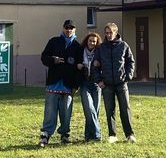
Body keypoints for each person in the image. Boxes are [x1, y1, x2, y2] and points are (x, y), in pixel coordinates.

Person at [38, 19, 82, 147]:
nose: (69, 30)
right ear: (63, 28)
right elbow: (43, 57)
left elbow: (79, 67)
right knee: (50, 112)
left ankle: (65, 135)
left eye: (71, 28)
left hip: (68, 85)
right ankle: (45, 135)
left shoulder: (77, 46)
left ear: (75, 30)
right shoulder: (54, 41)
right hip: (53, 83)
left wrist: (76, 85)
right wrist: (53, 60)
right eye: (67, 28)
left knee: (66, 112)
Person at [92, 22, 137, 143]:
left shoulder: (123, 46)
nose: (108, 35)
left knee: (125, 109)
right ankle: (112, 134)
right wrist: (99, 80)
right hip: (107, 85)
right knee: (109, 110)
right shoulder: (101, 48)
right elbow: (95, 65)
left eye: (110, 33)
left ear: (116, 32)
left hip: (121, 83)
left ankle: (129, 134)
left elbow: (130, 62)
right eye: (106, 33)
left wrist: (128, 76)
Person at [79, 32, 103, 142]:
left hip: (96, 84)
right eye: (90, 41)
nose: (92, 43)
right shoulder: (81, 51)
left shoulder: (99, 53)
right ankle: (97, 135)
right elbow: (75, 63)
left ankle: (88, 136)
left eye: (94, 41)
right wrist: (78, 65)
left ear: (97, 42)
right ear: (86, 41)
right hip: (85, 84)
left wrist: (100, 64)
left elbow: (105, 65)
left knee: (95, 111)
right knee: (89, 109)